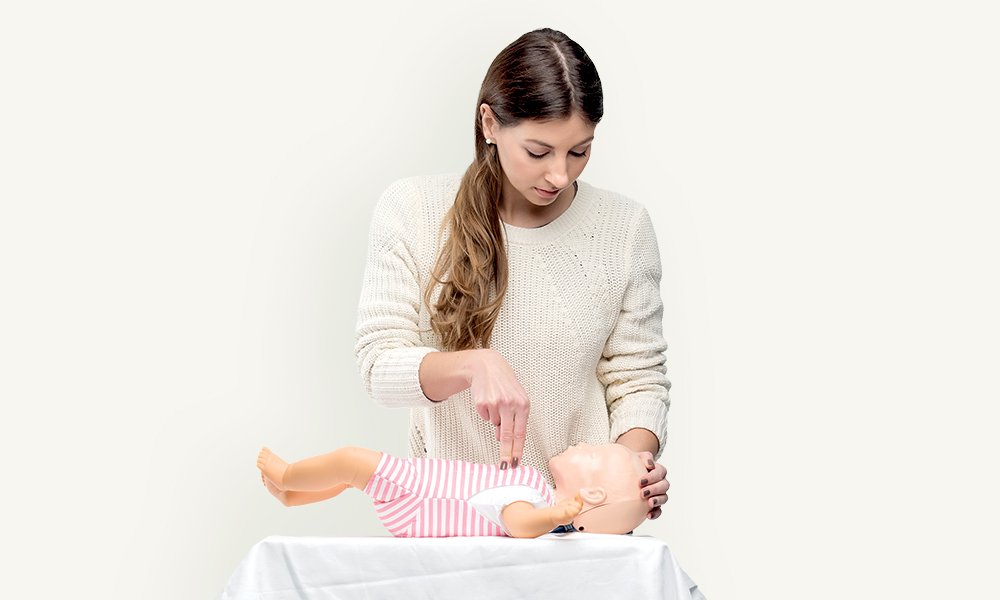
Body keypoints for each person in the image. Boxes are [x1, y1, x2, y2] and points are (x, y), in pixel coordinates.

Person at [354, 28, 671, 520]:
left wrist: (633, 463)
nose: (560, 175)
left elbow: (637, 380)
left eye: (580, 150)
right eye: (539, 152)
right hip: (451, 523)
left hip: (579, 531)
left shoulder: (624, 228)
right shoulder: (413, 211)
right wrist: (472, 365)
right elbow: (379, 365)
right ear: (489, 123)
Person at [257, 443, 650, 538]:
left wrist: (554, 517)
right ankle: (295, 495)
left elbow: (518, 524)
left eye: (594, 454)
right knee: (348, 478)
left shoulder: (537, 499)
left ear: (593, 496)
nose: (584, 444)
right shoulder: (535, 485)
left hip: (419, 496)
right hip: (418, 488)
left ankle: (290, 475)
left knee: (349, 462)